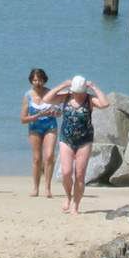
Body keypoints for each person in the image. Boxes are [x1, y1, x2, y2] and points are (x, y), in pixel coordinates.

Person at [42, 74, 109, 215]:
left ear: (84, 91)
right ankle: (68, 196)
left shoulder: (89, 99)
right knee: (66, 173)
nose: (77, 94)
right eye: (75, 92)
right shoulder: (66, 97)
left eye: (80, 92)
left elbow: (105, 104)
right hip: (66, 139)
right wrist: (63, 85)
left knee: (80, 175)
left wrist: (94, 87)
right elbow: (46, 98)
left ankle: (76, 205)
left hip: (85, 141)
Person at [20, 68, 60, 198]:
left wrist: (55, 112)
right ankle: (35, 188)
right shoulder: (28, 96)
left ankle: (47, 188)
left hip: (50, 126)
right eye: (35, 80)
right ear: (31, 81)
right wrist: (36, 116)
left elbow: (59, 112)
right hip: (35, 127)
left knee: (49, 156)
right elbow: (23, 119)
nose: (37, 83)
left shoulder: (50, 93)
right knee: (37, 159)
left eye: (40, 80)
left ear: (44, 80)